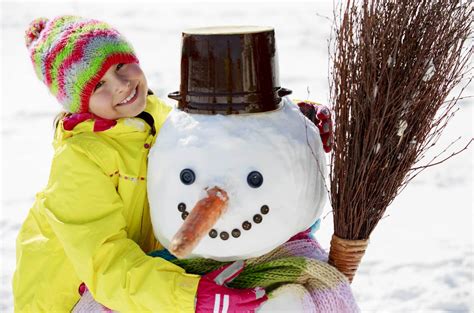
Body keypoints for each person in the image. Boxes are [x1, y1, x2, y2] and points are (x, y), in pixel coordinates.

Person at [13, 15, 268, 313]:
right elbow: (106, 264)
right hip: (77, 297)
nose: (121, 85)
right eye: (99, 85)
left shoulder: (158, 117)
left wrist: (295, 126)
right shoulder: (80, 161)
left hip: (133, 275)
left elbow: (217, 141)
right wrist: (190, 297)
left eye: (120, 66)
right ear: (81, 104)